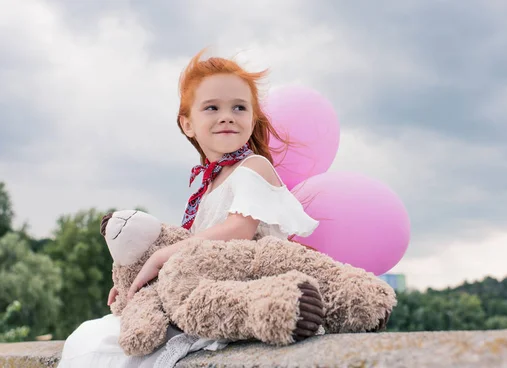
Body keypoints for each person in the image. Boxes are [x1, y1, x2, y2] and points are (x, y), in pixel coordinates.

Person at [57, 49, 323, 368]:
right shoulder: (204, 187)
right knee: (94, 334)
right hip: (205, 288)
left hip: (244, 292)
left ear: (252, 120)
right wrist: (134, 281)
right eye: (211, 108)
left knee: (113, 346)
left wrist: (158, 258)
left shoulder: (254, 167)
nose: (227, 116)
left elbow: (238, 231)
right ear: (188, 124)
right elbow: (186, 245)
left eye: (239, 107)